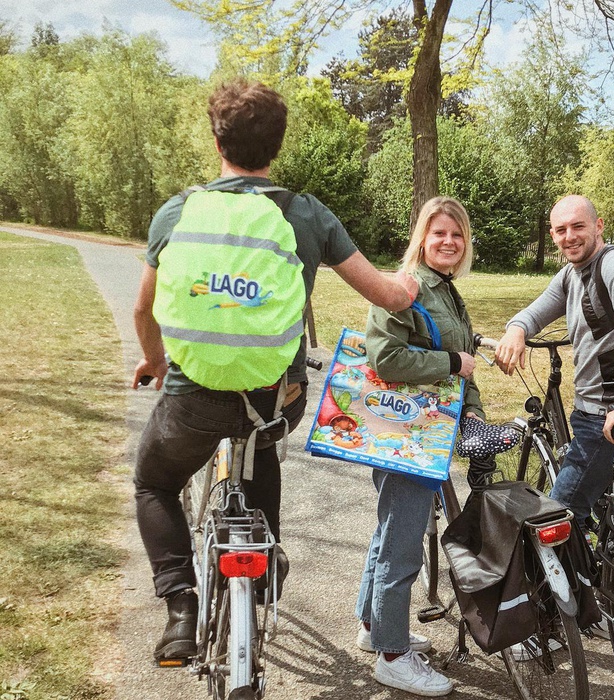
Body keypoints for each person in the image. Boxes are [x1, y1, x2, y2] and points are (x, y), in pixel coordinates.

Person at [132, 79, 418, 663]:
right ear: (277, 147)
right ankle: (267, 559)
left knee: (155, 483)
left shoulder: (179, 211)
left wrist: (156, 359)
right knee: (261, 444)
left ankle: (181, 608)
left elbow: (143, 308)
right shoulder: (304, 213)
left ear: (218, 141)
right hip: (275, 395)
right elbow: (387, 294)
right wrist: (408, 284)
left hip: (193, 396)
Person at [494, 195, 614, 638]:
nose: (569, 236)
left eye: (577, 227)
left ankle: (552, 622)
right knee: (604, 505)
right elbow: (537, 309)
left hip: (608, 413)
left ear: (598, 225)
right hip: (607, 412)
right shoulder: (571, 274)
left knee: (557, 518)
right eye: (560, 230)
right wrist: (517, 328)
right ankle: (606, 595)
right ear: (552, 235)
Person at [354, 196, 494, 697]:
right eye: (439, 234)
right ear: (422, 237)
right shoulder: (405, 287)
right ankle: (393, 656)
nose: (449, 242)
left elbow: (466, 358)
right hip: (406, 434)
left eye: (456, 235)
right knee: (403, 540)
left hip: (425, 431)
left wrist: (473, 409)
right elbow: (387, 358)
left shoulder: (446, 290)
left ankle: (374, 628)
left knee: (391, 529)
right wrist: (452, 366)